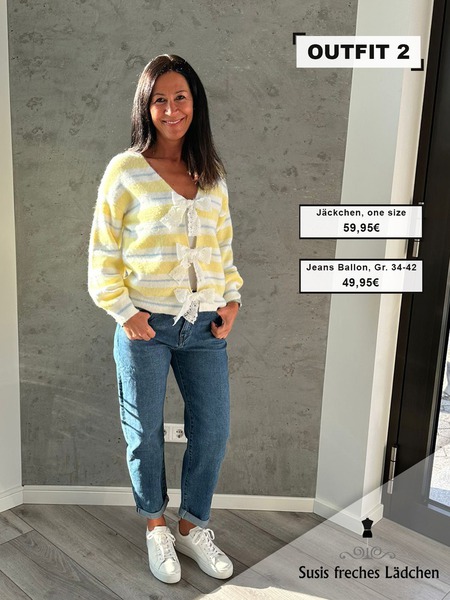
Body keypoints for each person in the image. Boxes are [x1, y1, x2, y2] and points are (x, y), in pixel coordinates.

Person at [88, 54, 243, 584]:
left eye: (180, 97)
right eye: (160, 99)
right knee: (145, 435)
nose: (171, 109)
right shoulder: (125, 171)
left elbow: (223, 249)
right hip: (145, 330)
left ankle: (192, 526)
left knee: (213, 431)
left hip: (205, 329)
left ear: (195, 104)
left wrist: (231, 300)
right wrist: (125, 313)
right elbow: (103, 254)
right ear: (146, 107)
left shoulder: (212, 176)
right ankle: (156, 526)